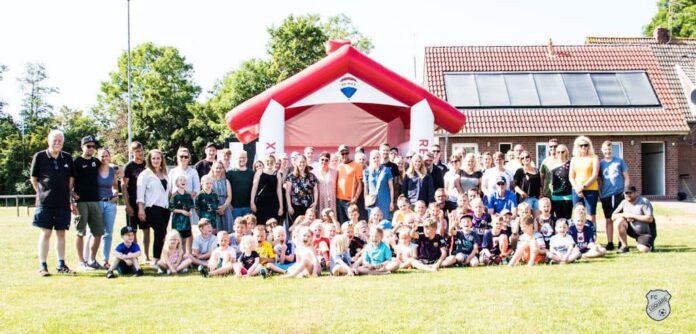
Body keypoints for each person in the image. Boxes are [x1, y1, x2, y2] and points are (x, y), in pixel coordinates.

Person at [31, 130, 76, 276]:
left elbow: (71, 178)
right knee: (46, 233)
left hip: (62, 203)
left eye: (60, 141)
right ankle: (42, 266)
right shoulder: (40, 156)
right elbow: (34, 178)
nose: (57, 143)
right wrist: (41, 193)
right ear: (48, 141)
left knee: (61, 233)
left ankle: (61, 264)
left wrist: (68, 196)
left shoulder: (67, 157)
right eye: (55, 140)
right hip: (45, 203)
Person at [73, 135, 105, 270]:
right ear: (82, 147)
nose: (91, 148)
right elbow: (69, 180)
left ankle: (92, 260)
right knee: (80, 232)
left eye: (93, 146)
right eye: (89, 146)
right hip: (81, 201)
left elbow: (108, 167)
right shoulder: (76, 162)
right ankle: (81, 261)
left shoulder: (96, 162)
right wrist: (71, 195)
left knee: (98, 232)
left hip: (95, 201)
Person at [136, 149, 171, 263]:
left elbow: (168, 192)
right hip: (152, 207)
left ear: (162, 159)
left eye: (158, 158)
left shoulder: (165, 173)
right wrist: (141, 209)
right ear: (150, 160)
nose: (156, 160)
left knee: (163, 233)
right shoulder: (145, 174)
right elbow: (140, 193)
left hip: (165, 208)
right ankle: (156, 260)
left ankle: (162, 259)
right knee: (160, 232)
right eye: (153, 158)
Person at [599, 141, 630, 251]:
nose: (608, 151)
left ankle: (621, 242)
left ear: (613, 150)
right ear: (602, 150)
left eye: (610, 149)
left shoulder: (619, 161)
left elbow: (626, 176)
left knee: (619, 219)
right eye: (606, 150)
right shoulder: (600, 164)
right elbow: (598, 179)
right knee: (608, 220)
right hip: (606, 195)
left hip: (619, 194)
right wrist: (600, 194)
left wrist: (625, 191)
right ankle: (610, 242)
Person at [122, 141, 150, 262]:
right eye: (137, 151)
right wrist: (127, 204)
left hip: (145, 202)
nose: (140, 153)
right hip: (132, 202)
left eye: (141, 150)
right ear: (132, 152)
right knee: (133, 231)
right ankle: (135, 254)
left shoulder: (147, 164)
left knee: (146, 229)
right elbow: (124, 186)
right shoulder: (128, 167)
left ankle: (147, 255)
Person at [613, 186, 656, 253]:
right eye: (626, 193)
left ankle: (647, 244)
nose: (628, 195)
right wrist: (624, 215)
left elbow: (649, 219)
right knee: (619, 220)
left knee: (643, 249)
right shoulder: (624, 202)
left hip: (645, 232)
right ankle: (624, 246)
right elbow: (613, 216)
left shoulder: (644, 202)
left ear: (636, 193)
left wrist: (632, 216)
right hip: (632, 229)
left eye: (630, 193)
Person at [95, 148, 119, 268]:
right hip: (97, 204)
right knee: (94, 232)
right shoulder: (94, 170)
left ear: (109, 157)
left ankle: (105, 259)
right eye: (101, 156)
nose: (104, 158)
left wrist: (115, 194)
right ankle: (90, 259)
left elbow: (115, 186)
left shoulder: (112, 171)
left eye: (106, 156)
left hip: (110, 204)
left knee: (108, 233)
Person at [569, 136, 600, 226]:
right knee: (577, 214)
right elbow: (571, 177)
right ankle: (578, 237)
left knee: (591, 215)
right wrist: (577, 188)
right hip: (576, 191)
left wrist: (583, 187)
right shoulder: (574, 159)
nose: (583, 147)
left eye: (586, 145)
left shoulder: (594, 157)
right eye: (581, 145)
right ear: (577, 147)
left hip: (591, 190)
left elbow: (594, 175)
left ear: (589, 146)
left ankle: (592, 237)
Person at [168, 147, 200, 226]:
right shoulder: (172, 172)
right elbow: (169, 190)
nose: (183, 158)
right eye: (181, 156)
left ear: (189, 158)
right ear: (177, 157)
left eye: (186, 157)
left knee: (190, 230)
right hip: (176, 206)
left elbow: (197, 190)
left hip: (189, 205)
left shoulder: (193, 172)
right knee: (176, 229)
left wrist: (185, 197)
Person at [251, 154, 284, 228]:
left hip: (274, 203)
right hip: (261, 203)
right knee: (261, 224)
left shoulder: (277, 174)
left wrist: (281, 207)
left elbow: (279, 191)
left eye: (272, 161)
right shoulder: (259, 172)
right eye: (267, 161)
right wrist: (252, 202)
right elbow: (254, 188)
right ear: (264, 162)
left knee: (273, 225)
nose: (269, 163)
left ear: (274, 162)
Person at [285, 155, 318, 224]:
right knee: (296, 225)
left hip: (308, 206)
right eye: (300, 162)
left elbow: (315, 191)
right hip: (295, 206)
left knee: (308, 225)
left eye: (303, 162)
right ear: (296, 163)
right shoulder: (291, 176)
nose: (302, 164)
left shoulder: (311, 176)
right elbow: (287, 192)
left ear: (306, 163)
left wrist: (315, 203)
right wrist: (289, 206)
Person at [336, 145, 365, 223]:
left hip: (350, 200)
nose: (344, 155)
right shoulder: (338, 165)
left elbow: (360, 184)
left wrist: (355, 198)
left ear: (349, 153)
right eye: (342, 153)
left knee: (352, 222)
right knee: (342, 223)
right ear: (339, 154)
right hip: (339, 199)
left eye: (346, 153)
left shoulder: (356, 165)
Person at [363, 150, 395, 220]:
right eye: (374, 158)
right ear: (370, 159)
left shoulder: (386, 170)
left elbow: (391, 188)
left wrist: (392, 202)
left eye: (377, 157)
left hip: (385, 201)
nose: (376, 159)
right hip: (372, 201)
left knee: (384, 221)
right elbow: (365, 189)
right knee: (373, 221)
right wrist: (366, 202)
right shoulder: (366, 171)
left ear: (380, 158)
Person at [226, 150, 255, 222]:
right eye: (240, 157)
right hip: (234, 208)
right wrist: (229, 204)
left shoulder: (252, 173)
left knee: (248, 229)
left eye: (244, 157)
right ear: (236, 159)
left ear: (247, 159)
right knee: (236, 229)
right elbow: (226, 190)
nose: (242, 159)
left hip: (248, 207)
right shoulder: (230, 173)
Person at [169, 175, 194, 254]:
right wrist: (182, 211)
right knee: (177, 241)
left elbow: (191, 206)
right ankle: (175, 257)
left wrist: (190, 212)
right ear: (177, 183)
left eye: (184, 180)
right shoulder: (174, 196)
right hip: (177, 222)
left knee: (184, 241)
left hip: (186, 222)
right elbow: (171, 208)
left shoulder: (188, 195)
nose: (183, 181)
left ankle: (183, 257)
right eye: (181, 180)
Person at [513, 150, 542, 215]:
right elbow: (514, 186)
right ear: (521, 160)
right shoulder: (519, 171)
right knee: (527, 219)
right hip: (525, 199)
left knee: (537, 219)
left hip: (536, 198)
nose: (525, 159)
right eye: (522, 158)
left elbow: (540, 184)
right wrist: (522, 192)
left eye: (527, 157)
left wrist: (541, 195)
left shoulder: (536, 170)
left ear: (530, 158)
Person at [208, 161, 233, 232]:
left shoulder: (226, 181)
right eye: (217, 168)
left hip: (225, 207)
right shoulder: (209, 181)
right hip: (213, 208)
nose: (218, 170)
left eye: (220, 168)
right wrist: (216, 208)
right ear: (213, 169)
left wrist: (224, 207)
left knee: (227, 230)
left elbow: (229, 196)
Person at [550, 144, 573, 219]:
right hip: (556, 197)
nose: (560, 154)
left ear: (566, 152)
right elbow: (551, 182)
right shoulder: (553, 166)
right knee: (558, 220)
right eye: (558, 152)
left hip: (568, 196)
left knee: (567, 219)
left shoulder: (571, 164)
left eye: (562, 152)